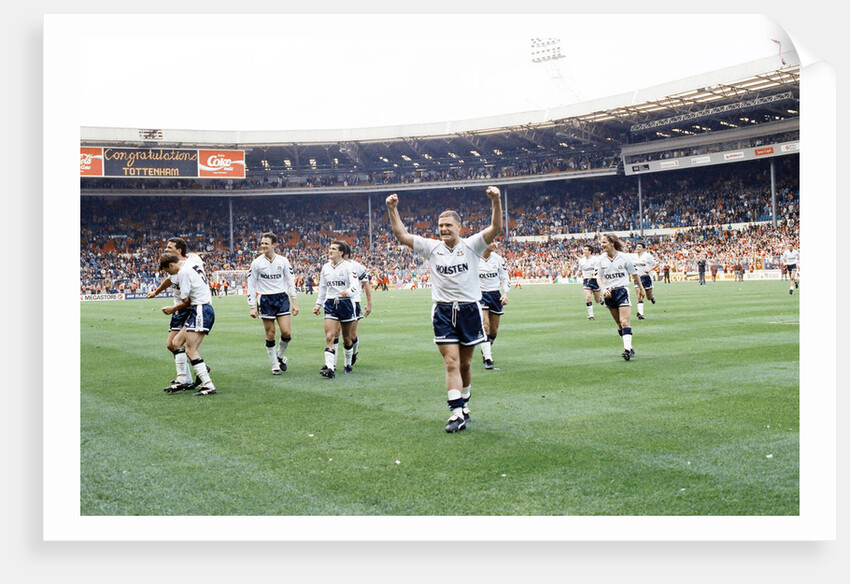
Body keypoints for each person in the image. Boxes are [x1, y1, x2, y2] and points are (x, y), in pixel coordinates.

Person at [386, 185, 503, 433]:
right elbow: (402, 236)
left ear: (459, 227)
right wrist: (392, 209)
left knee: (465, 365)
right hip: (442, 311)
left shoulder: (472, 245)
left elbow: (495, 229)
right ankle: (455, 412)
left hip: (469, 310)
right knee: (451, 362)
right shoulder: (432, 247)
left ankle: (465, 401)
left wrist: (496, 201)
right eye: (440, 226)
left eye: (448, 225)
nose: (443, 229)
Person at [147, 237, 207, 391]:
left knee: (179, 343)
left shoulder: (190, 262)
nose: (166, 249)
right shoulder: (172, 265)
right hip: (178, 308)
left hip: (188, 306)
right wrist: (156, 292)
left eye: (169, 247)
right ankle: (191, 373)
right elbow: (168, 281)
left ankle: (187, 377)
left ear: (179, 250)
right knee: (171, 344)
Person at [158, 252, 217, 396]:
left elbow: (186, 301)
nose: (170, 275)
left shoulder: (183, 272)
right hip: (200, 308)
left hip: (201, 309)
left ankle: (208, 385)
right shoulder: (190, 264)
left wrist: (172, 309)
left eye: (167, 271)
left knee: (190, 350)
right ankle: (183, 379)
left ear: (172, 265)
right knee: (176, 342)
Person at [247, 232, 300, 375]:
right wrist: (252, 306)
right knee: (270, 333)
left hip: (281, 298)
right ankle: (275, 364)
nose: (263, 246)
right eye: (262, 243)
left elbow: (290, 281)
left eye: (266, 243)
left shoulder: (283, 261)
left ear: (274, 245)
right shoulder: (256, 263)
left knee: (286, 332)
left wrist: (294, 301)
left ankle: (280, 356)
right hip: (265, 299)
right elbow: (251, 285)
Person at [312, 241, 360, 378]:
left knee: (346, 337)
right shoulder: (325, 268)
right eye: (329, 248)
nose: (330, 250)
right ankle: (329, 367)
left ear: (341, 252)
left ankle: (347, 363)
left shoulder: (349, 267)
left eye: (333, 249)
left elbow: (355, 283)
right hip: (330, 303)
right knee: (329, 336)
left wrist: (349, 291)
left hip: (345, 303)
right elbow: (322, 288)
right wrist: (318, 304)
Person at [597, 233, 644, 361]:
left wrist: (641, 288)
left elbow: (634, 274)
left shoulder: (624, 257)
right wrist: (603, 289)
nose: (602, 245)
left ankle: (627, 350)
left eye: (604, 242)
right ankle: (629, 346)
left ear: (612, 243)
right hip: (609, 294)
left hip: (622, 291)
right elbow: (599, 278)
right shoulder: (601, 260)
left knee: (624, 322)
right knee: (619, 324)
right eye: (601, 243)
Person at [329, 242, 372, 371]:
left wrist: (369, 303)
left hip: (353, 303)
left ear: (345, 254)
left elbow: (366, 283)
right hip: (337, 302)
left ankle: (353, 353)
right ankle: (333, 363)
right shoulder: (332, 267)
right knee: (335, 333)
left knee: (351, 336)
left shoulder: (356, 266)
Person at [477, 240, 510, 369]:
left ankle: (486, 348)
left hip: (495, 295)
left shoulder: (498, 259)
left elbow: (505, 277)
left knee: (494, 331)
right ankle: (488, 359)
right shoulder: (474, 258)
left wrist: (506, 294)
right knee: (485, 326)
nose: (494, 244)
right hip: (480, 295)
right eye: (491, 241)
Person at [632, 241, 658, 320]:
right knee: (639, 296)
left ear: (643, 249)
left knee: (648, 297)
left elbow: (657, 264)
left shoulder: (647, 256)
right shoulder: (633, 256)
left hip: (646, 278)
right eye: (637, 246)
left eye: (639, 247)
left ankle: (651, 297)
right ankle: (641, 313)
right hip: (638, 278)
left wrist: (649, 270)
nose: (637, 248)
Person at [576, 244, 603, 320]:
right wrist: (576, 274)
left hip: (595, 280)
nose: (584, 251)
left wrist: (595, 272)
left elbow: (598, 268)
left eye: (585, 250)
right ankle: (591, 315)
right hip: (586, 280)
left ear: (590, 251)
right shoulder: (582, 261)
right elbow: (580, 270)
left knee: (597, 300)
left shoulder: (595, 259)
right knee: (588, 297)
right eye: (583, 250)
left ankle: (600, 298)